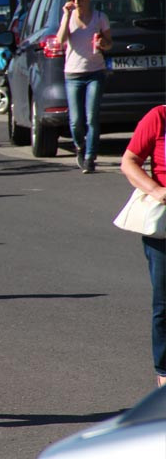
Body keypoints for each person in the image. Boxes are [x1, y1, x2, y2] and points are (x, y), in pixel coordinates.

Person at [120, 105, 166, 388]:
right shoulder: (159, 117)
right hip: (164, 226)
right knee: (165, 302)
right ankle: (164, 373)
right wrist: (156, 190)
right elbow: (129, 161)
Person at [55, 0, 112, 174]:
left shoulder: (99, 17)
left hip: (95, 72)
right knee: (75, 120)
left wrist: (103, 43)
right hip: (73, 73)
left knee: (91, 117)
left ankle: (90, 157)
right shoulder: (68, 18)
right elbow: (60, 40)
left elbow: (109, 44)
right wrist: (65, 15)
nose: (76, 1)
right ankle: (79, 146)